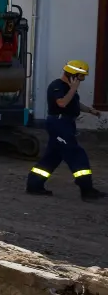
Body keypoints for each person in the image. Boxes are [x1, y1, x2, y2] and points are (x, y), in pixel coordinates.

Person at [27, 59, 104, 201]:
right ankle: (87, 189)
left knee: (52, 157)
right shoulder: (57, 86)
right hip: (59, 123)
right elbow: (62, 103)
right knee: (76, 154)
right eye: (81, 76)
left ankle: (34, 185)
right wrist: (73, 89)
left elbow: (74, 102)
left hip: (65, 123)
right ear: (73, 75)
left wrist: (90, 110)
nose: (83, 79)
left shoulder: (68, 88)